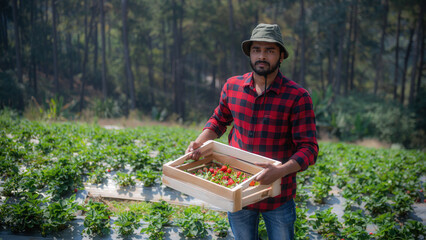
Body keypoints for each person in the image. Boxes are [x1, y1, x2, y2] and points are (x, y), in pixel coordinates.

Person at [185, 23, 318, 240]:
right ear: (250, 53)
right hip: (238, 190)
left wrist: (280, 171)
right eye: (257, 50)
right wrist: (200, 141)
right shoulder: (233, 86)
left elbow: (309, 148)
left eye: (270, 51)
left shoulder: (297, 97)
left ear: (281, 56)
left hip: (278, 195)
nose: (262, 56)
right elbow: (219, 120)